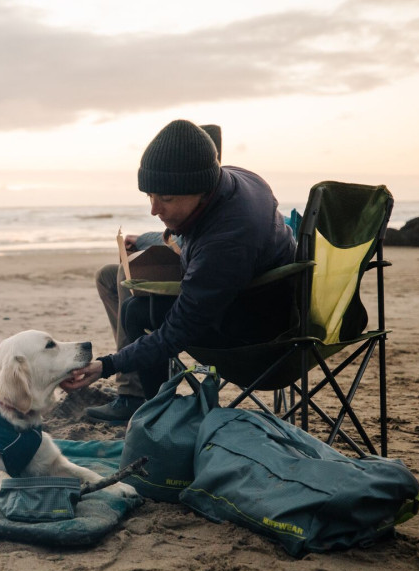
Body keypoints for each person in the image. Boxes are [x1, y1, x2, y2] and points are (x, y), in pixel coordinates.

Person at [69, 119, 296, 422]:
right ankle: (135, 393)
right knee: (112, 276)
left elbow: (178, 331)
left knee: (137, 309)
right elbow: (190, 238)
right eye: (150, 196)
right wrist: (150, 238)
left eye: (166, 199)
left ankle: (154, 414)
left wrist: (106, 365)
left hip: (256, 332)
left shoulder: (225, 242)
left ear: (200, 188)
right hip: (248, 293)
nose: (154, 209)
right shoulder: (235, 180)